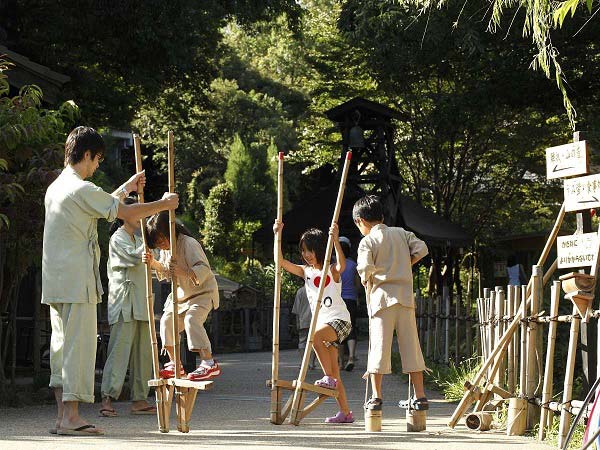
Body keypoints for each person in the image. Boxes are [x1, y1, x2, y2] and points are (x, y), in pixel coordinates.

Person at [42, 126, 179, 436]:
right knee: (78, 348)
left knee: (61, 347)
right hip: (77, 281)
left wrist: (127, 186)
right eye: (97, 159)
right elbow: (125, 212)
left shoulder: (57, 187)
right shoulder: (81, 188)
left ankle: (63, 416)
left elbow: (101, 204)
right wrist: (164, 203)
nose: (97, 165)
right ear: (87, 155)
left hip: (57, 281)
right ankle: (73, 417)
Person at [352, 195, 429, 412]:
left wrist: (369, 279)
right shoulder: (401, 233)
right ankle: (420, 396)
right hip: (404, 298)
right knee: (411, 346)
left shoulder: (367, 241)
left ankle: (376, 397)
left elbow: (364, 269)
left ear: (361, 221)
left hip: (381, 300)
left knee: (378, 346)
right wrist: (406, 264)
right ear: (382, 216)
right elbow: (422, 249)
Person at [272, 220, 354, 424]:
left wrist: (334, 240)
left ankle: (328, 379)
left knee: (314, 337)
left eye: (310, 250)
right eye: (303, 251)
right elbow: (280, 261)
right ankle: (345, 412)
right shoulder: (306, 272)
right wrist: (277, 236)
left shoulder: (331, 269)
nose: (306, 255)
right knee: (335, 371)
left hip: (339, 321)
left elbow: (342, 265)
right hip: (325, 325)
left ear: (319, 249)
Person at [144, 211, 221, 381]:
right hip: (182, 296)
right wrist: (153, 263)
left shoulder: (189, 243)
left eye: (162, 239)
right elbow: (166, 271)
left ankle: (208, 362)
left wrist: (184, 272)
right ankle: (174, 363)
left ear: (170, 231)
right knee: (166, 321)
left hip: (202, 292)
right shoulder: (166, 250)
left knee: (192, 319)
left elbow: (204, 269)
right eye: (157, 243)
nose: (161, 245)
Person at [99, 197, 156, 417]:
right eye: (138, 211)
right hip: (124, 301)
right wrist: (148, 244)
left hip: (142, 301)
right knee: (119, 351)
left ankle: (140, 399)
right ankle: (107, 399)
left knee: (144, 352)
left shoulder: (139, 238)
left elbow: (152, 261)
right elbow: (135, 258)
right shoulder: (118, 238)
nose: (141, 215)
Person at [338, 236, 359, 372]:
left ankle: (340, 363)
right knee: (351, 328)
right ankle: (351, 357)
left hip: (338, 301)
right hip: (351, 299)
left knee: (340, 331)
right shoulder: (353, 265)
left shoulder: (334, 265)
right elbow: (357, 285)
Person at [291, 286, 317, 369]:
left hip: (303, 320)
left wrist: (297, 323)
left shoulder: (300, 291)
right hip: (316, 320)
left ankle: (304, 363)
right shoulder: (317, 290)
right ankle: (312, 363)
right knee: (314, 342)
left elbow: (296, 310)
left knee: (302, 341)